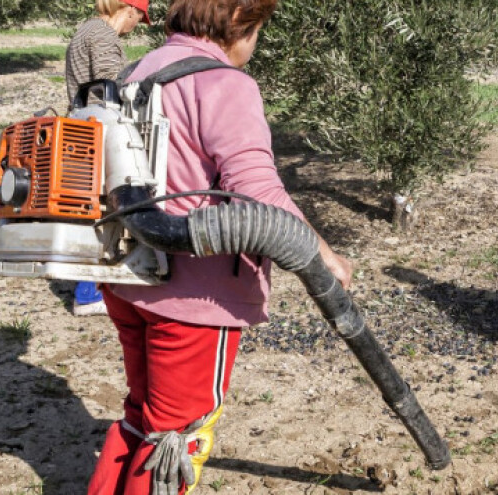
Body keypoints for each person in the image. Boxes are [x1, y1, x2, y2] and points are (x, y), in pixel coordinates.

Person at [87, 0, 353, 493]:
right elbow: (259, 191)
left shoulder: (139, 69)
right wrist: (324, 254)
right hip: (195, 298)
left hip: (127, 279)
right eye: (257, 31)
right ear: (239, 25)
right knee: (176, 435)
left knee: (141, 413)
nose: (256, 44)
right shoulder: (225, 83)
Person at [65, 0, 151, 316]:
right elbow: (111, 84)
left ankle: (88, 286)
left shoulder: (86, 29)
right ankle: (88, 292)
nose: (133, 28)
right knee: (104, 207)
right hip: (99, 129)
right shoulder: (103, 35)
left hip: (82, 125)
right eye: (138, 20)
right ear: (129, 11)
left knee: (92, 206)